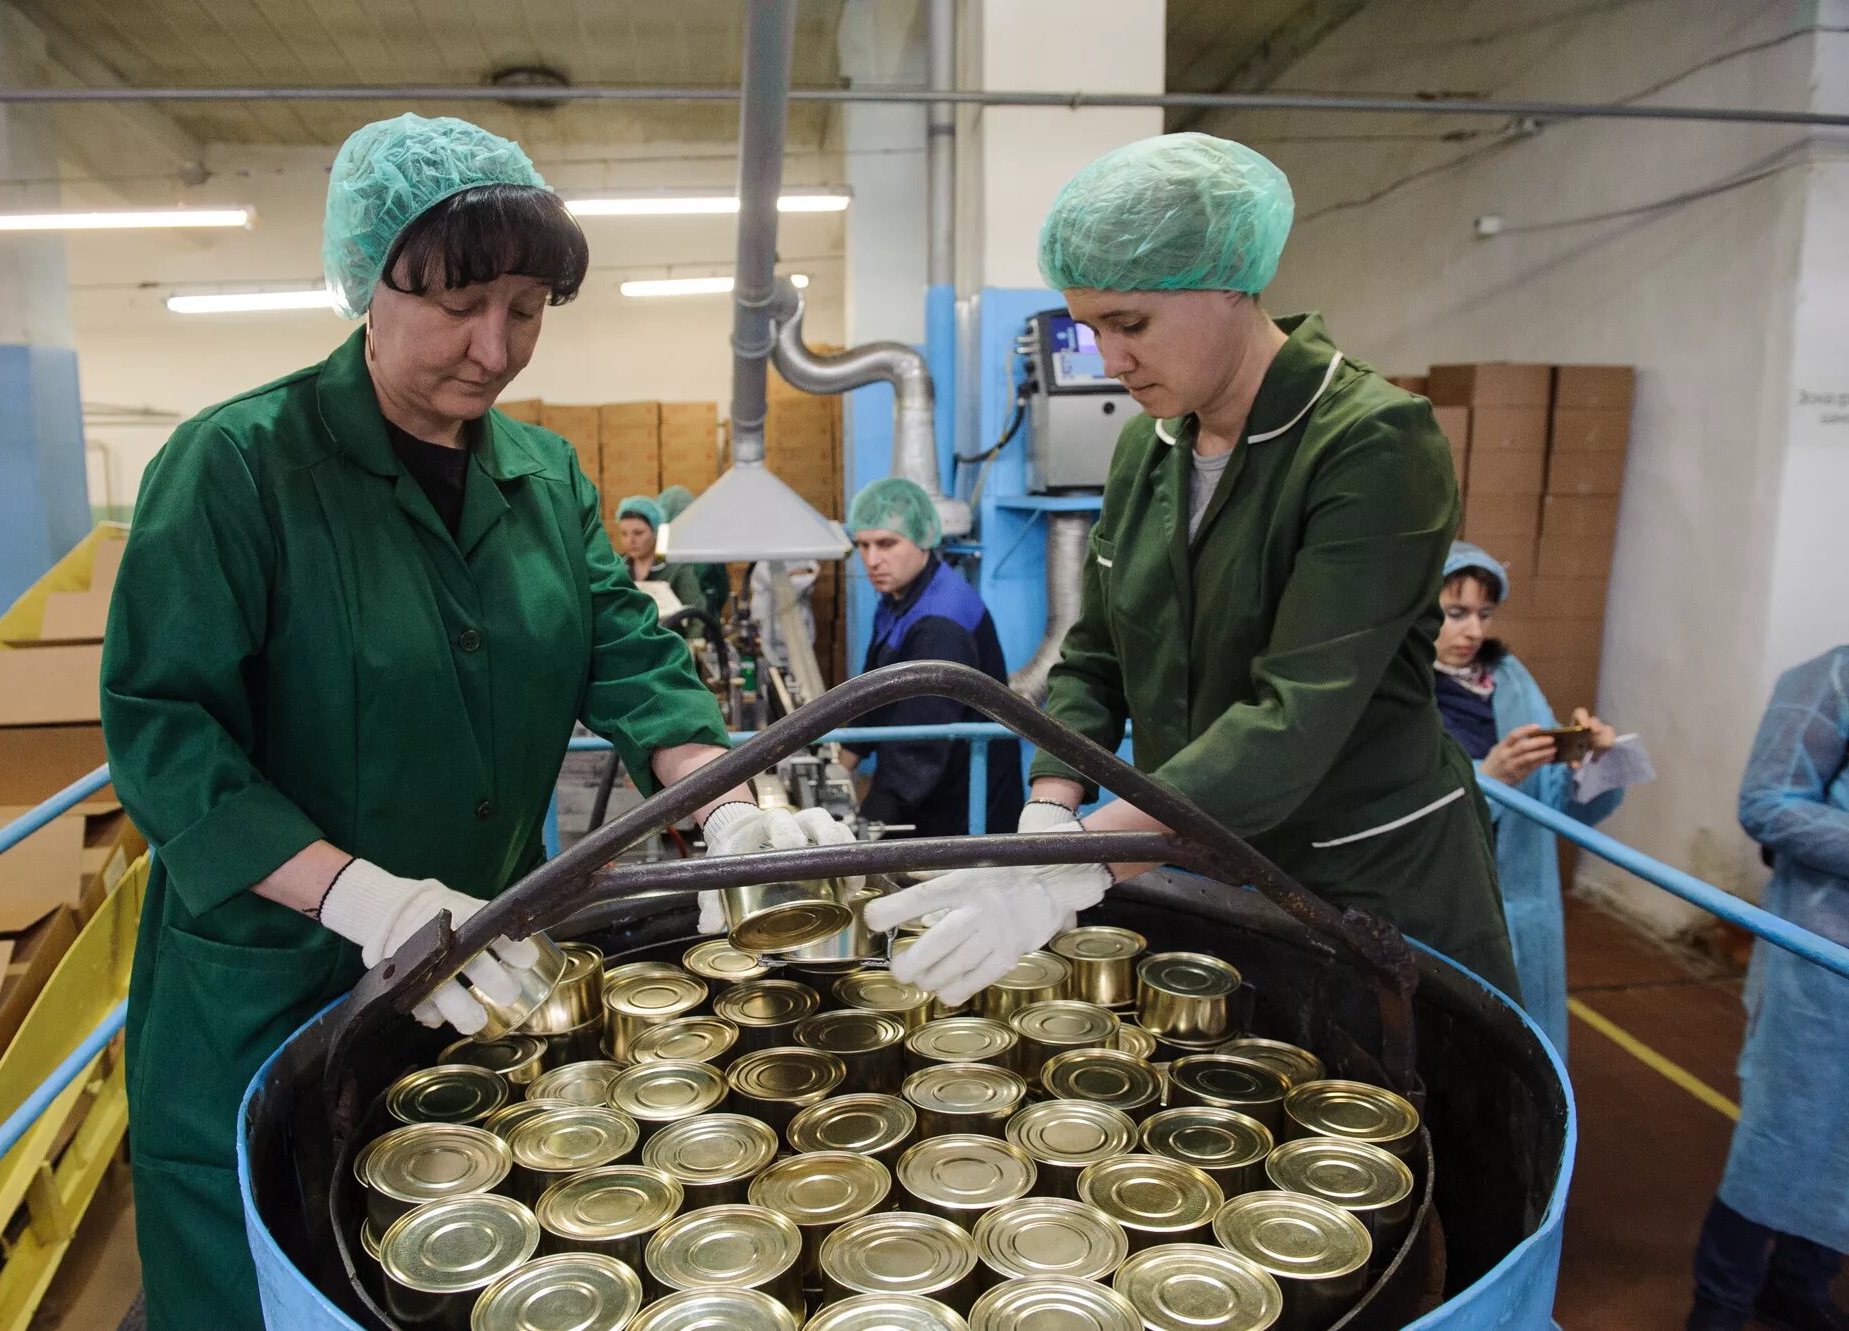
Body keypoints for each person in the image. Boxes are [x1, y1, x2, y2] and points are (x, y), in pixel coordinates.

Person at [99, 113, 850, 1331]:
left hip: (479, 958)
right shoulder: (236, 467)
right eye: (457, 304)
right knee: (273, 1272)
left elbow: (628, 653)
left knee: (445, 1251)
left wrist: (728, 794)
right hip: (273, 975)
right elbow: (167, 735)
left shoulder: (544, 477)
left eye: (525, 307)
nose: (492, 346)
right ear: (369, 281)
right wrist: (360, 896)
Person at [871, 131, 1517, 1005]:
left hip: (1365, 882)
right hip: (1211, 865)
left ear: (1230, 286)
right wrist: (1052, 807)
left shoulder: (1371, 443)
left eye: (1130, 324)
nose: (1111, 361)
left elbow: (1295, 716)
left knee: (1393, 1116)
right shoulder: (1151, 444)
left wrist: (1080, 862)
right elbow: (1096, 652)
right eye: (1091, 328)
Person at [1687, 646, 1849, 1331]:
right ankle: (1721, 1300)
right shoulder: (1833, 677)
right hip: (1823, 959)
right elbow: (1769, 802)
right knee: (1785, 1136)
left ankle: (1798, 1283)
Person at [1432, 541, 1624, 1055]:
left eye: (1483, 614)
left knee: (1521, 1053)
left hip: (1521, 904)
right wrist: (1487, 778)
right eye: (1454, 613)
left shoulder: (1510, 682)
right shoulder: (1400, 691)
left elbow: (1557, 807)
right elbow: (1396, 809)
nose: (1474, 630)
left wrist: (1592, 761)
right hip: (1446, 907)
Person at [837, 477, 1019, 838]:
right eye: (863, 545)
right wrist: (842, 761)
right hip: (929, 790)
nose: (872, 560)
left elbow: (916, 752)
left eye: (887, 544)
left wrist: (862, 830)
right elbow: (874, 690)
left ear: (922, 538)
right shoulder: (900, 597)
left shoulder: (940, 624)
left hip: (962, 810)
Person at [617, 494, 705, 620]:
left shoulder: (677, 569)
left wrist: (695, 639)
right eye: (624, 534)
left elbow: (696, 614)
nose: (630, 540)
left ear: (655, 531)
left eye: (638, 533)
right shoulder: (616, 568)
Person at [658, 485, 732, 624]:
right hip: (696, 621)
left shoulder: (663, 550)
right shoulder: (707, 544)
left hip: (694, 623)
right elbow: (722, 588)